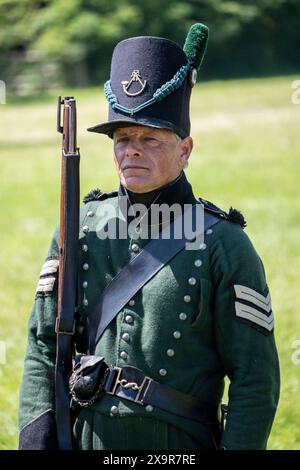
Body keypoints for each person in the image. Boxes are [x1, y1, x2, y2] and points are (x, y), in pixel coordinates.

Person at [19, 23, 280, 450]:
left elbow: (256, 379)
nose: (132, 150)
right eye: (122, 139)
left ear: (186, 150)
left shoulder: (225, 244)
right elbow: (42, 349)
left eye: (150, 139)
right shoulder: (79, 226)